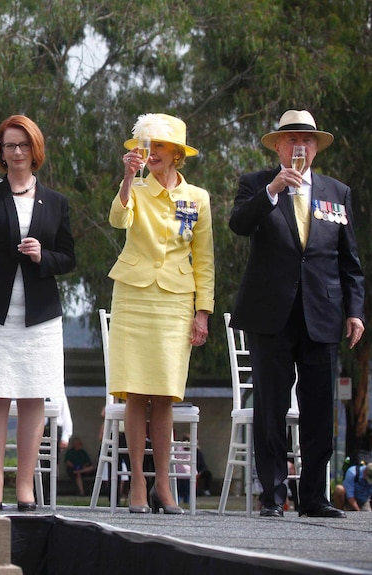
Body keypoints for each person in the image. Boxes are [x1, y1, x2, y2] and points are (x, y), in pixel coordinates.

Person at [229, 110, 365, 519]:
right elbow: (238, 224)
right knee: (270, 406)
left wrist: (355, 312)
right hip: (271, 312)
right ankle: (272, 497)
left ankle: (314, 497)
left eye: (307, 140)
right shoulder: (256, 184)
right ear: (277, 146)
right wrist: (272, 190)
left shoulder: (335, 192)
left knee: (319, 406)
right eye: (291, 140)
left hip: (322, 312)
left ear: (316, 148)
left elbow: (350, 260)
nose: (299, 147)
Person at [0, 115, 76, 512]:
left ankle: (25, 487)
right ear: (1, 152)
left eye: (24, 144)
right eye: (10, 145)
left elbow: (68, 258)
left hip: (39, 314)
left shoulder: (56, 201)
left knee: (31, 396)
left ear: (35, 149)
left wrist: (44, 256)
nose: (17, 152)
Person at [109, 113, 214, 514]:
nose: (151, 152)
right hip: (133, 297)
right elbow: (118, 220)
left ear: (176, 154)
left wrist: (202, 311)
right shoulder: (134, 187)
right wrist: (126, 180)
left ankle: (164, 486)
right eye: (146, 146)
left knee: (166, 395)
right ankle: (137, 480)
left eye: (160, 146)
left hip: (175, 302)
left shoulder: (198, 198)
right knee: (135, 391)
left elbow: (204, 259)